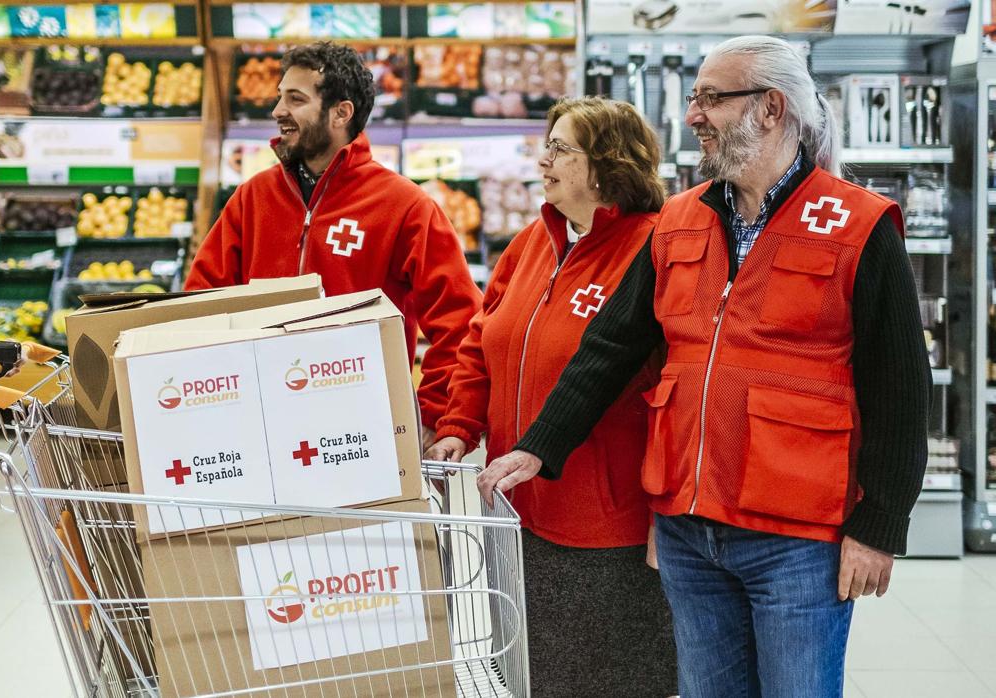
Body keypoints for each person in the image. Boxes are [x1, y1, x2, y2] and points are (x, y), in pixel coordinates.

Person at [477, 35, 929, 697]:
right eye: (694, 98)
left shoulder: (856, 226)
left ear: (771, 109)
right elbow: (610, 348)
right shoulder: (677, 221)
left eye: (711, 99)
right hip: (688, 529)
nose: (693, 115)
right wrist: (540, 447)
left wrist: (879, 525)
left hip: (796, 536)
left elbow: (898, 387)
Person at [425, 97, 676, 697]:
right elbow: (481, 340)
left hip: (606, 522)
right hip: (516, 509)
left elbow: (677, 387)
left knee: (608, 681)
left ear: (606, 164)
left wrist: (667, 512)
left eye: (561, 148)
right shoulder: (532, 243)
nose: (545, 159)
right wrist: (460, 424)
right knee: (532, 676)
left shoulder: (653, 249)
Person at [186, 41, 482, 444]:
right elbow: (200, 303)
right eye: (279, 98)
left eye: (295, 99)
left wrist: (436, 414)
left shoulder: (404, 206)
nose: (277, 112)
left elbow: (460, 322)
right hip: (259, 423)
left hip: (366, 431)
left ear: (341, 113)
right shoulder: (252, 199)